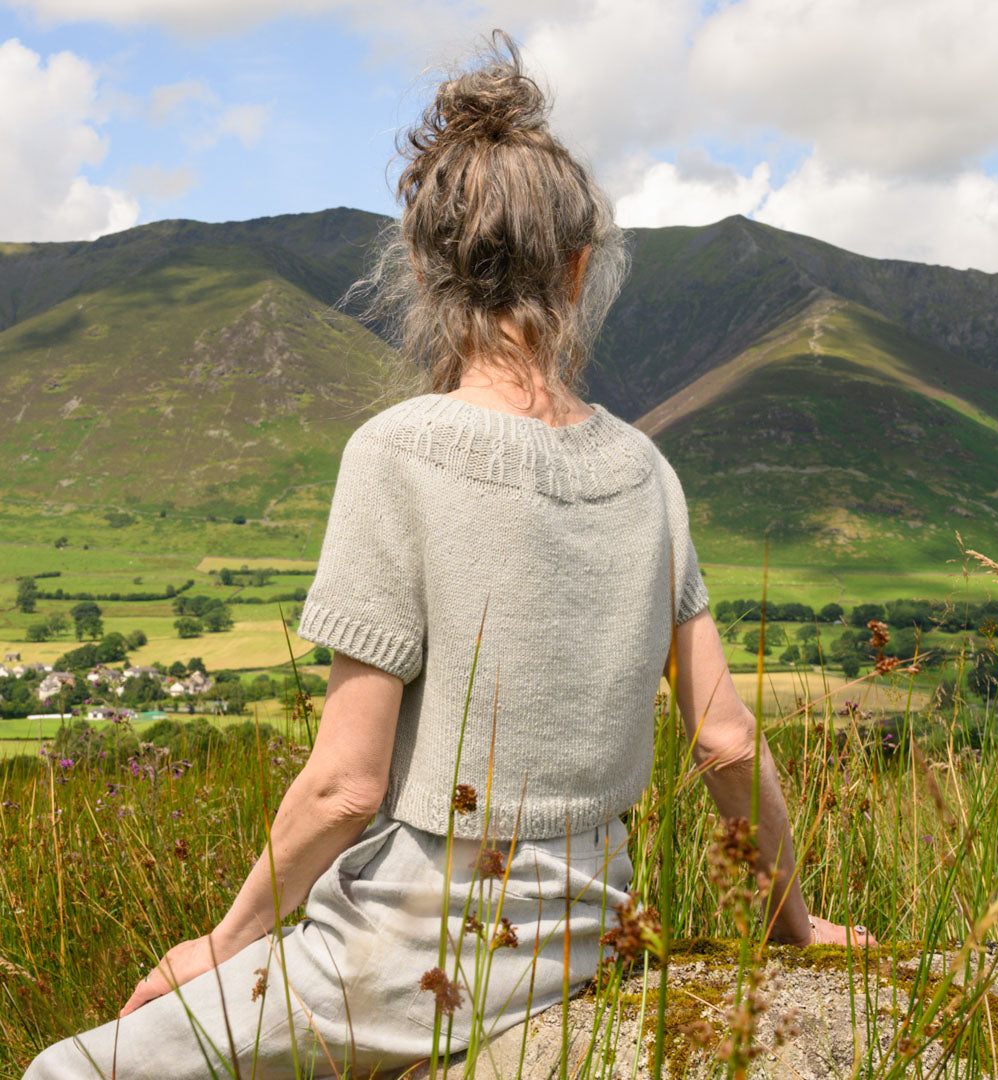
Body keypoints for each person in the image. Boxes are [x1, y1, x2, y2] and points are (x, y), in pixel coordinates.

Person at [24, 31, 873, 1080]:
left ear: (427, 269)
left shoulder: (395, 452)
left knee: (66, 1071)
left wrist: (224, 942)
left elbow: (344, 788)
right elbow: (728, 742)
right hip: (594, 934)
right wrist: (799, 928)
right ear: (578, 269)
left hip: (411, 952)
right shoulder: (647, 470)